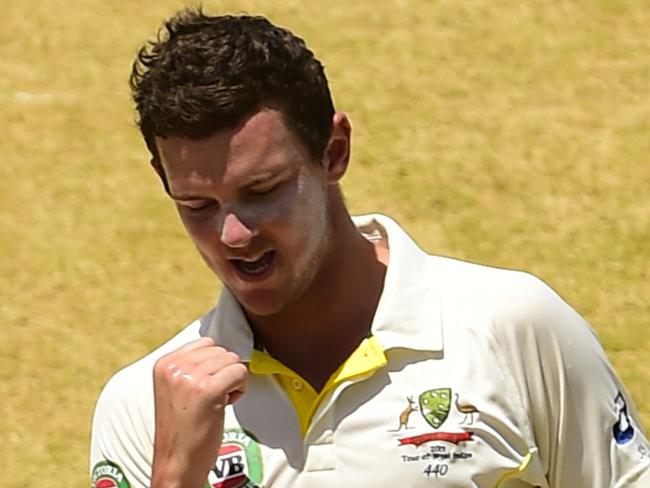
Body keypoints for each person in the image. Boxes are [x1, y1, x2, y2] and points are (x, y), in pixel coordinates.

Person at [89, 8, 650, 488]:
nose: (233, 234)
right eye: (197, 206)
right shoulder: (143, 406)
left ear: (333, 152)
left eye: (262, 191)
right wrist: (175, 476)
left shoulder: (511, 327)